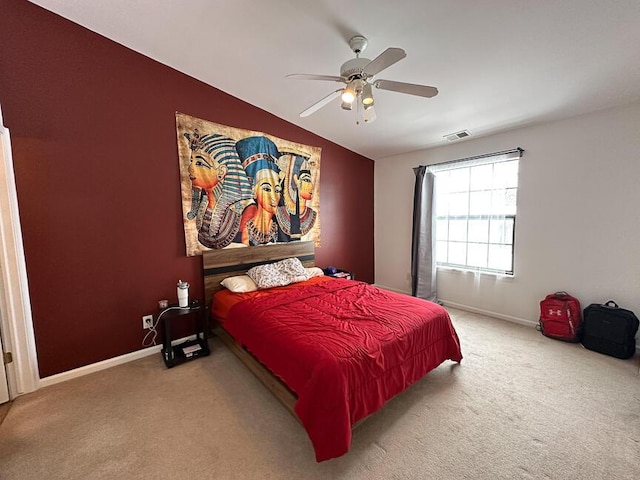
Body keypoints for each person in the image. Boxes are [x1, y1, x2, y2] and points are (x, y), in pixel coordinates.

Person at [184, 130, 253, 249]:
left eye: (199, 163)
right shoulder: (204, 202)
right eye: (192, 161)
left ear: (221, 172)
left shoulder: (247, 208)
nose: (190, 168)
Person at [235, 136, 283, 246]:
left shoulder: (282, 229)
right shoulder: (244, 230)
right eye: (266, 189)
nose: (273, 197)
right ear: (254, 191)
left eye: (277, 190)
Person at [275, 152, 318, 241]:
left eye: (310, 181)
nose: (311, 186)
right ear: (296, 181)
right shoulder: (279, 211)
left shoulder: (311, 214)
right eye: (306, 180)